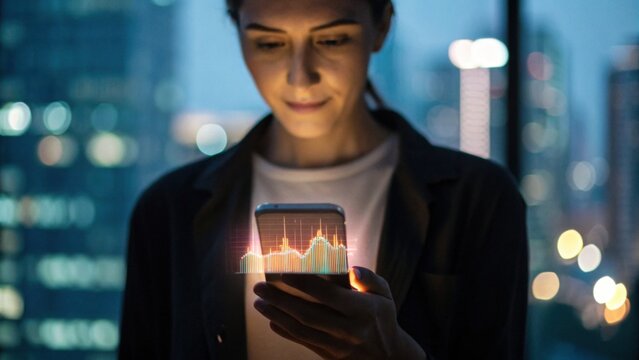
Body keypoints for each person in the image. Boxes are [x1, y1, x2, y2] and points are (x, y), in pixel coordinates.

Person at [118, 0, 529, 359]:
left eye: (332, 40)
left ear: (382, 24)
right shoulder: (169, 210)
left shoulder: (478, 200)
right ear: (236, 28)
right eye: (268, 43)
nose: (300, 77)